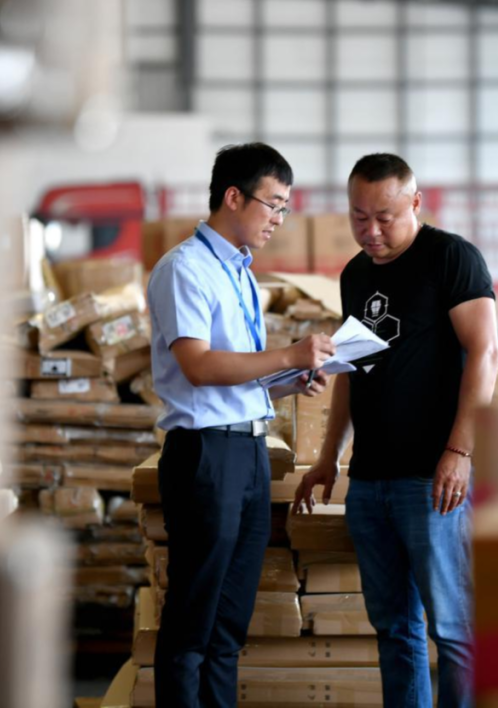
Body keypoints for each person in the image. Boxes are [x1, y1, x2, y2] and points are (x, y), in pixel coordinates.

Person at [293, 153, 498, 708]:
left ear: (415, 202)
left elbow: (486, 353)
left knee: (453, 630)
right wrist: (328, 457)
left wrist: (459, 451)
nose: (372, 231)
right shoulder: (355, 274)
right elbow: (350, 372)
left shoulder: (450, 257)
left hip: (432, 478)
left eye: (384, 217)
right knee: (394, 629)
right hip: (370, 481)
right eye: (359, 217)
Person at [148, 142, 335, 708]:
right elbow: (199, 366)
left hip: (249, 453)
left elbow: (237, 377)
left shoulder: (240, 274)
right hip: (207, 457)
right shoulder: (186, 268)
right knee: (193, 621)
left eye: (285, 208)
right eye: (273, 204)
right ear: (234, 196)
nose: (279, 219)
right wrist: (289, 354)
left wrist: (288, 381)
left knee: (229, 626)